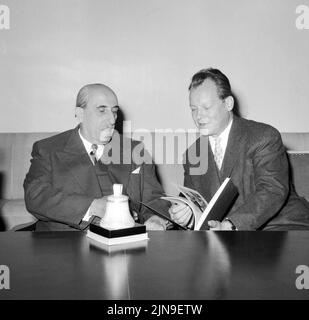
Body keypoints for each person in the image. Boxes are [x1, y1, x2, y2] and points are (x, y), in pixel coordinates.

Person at [169, 68, 309, 230]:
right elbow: (193, 202)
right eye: (194, 109)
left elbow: (272, 190)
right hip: (225, 238)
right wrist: (184, 214)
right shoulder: (192, 154)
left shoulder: (264, 136)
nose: (198, 116)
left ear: (228, 103)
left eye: (206, 107)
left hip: (281, 227)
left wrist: (232, 225)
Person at [24, 83, 169, 231]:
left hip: (126, 244)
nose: (112, 120)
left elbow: (154, 199)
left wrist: (155, 218)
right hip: (65, 245)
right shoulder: (48, 149)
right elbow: (35, 196)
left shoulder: (136, 151)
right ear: (80, 114)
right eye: (102, 111)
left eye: (114, 111)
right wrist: (92, 207)